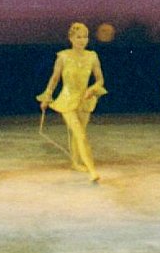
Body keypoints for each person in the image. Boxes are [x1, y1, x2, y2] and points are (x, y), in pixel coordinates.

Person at [37, 22, 107, 182]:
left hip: (85, 99)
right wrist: (47, 96)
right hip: (67, 99)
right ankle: (92, 170)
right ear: (71, 38)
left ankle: (76, 163)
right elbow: (54, 79)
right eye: (78, 37)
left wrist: (93, 89)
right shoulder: (63, 56)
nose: (82, 40)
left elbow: (100, 79)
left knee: (79, 133)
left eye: (85, 37)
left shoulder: (92, 56)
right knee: (80, 135)